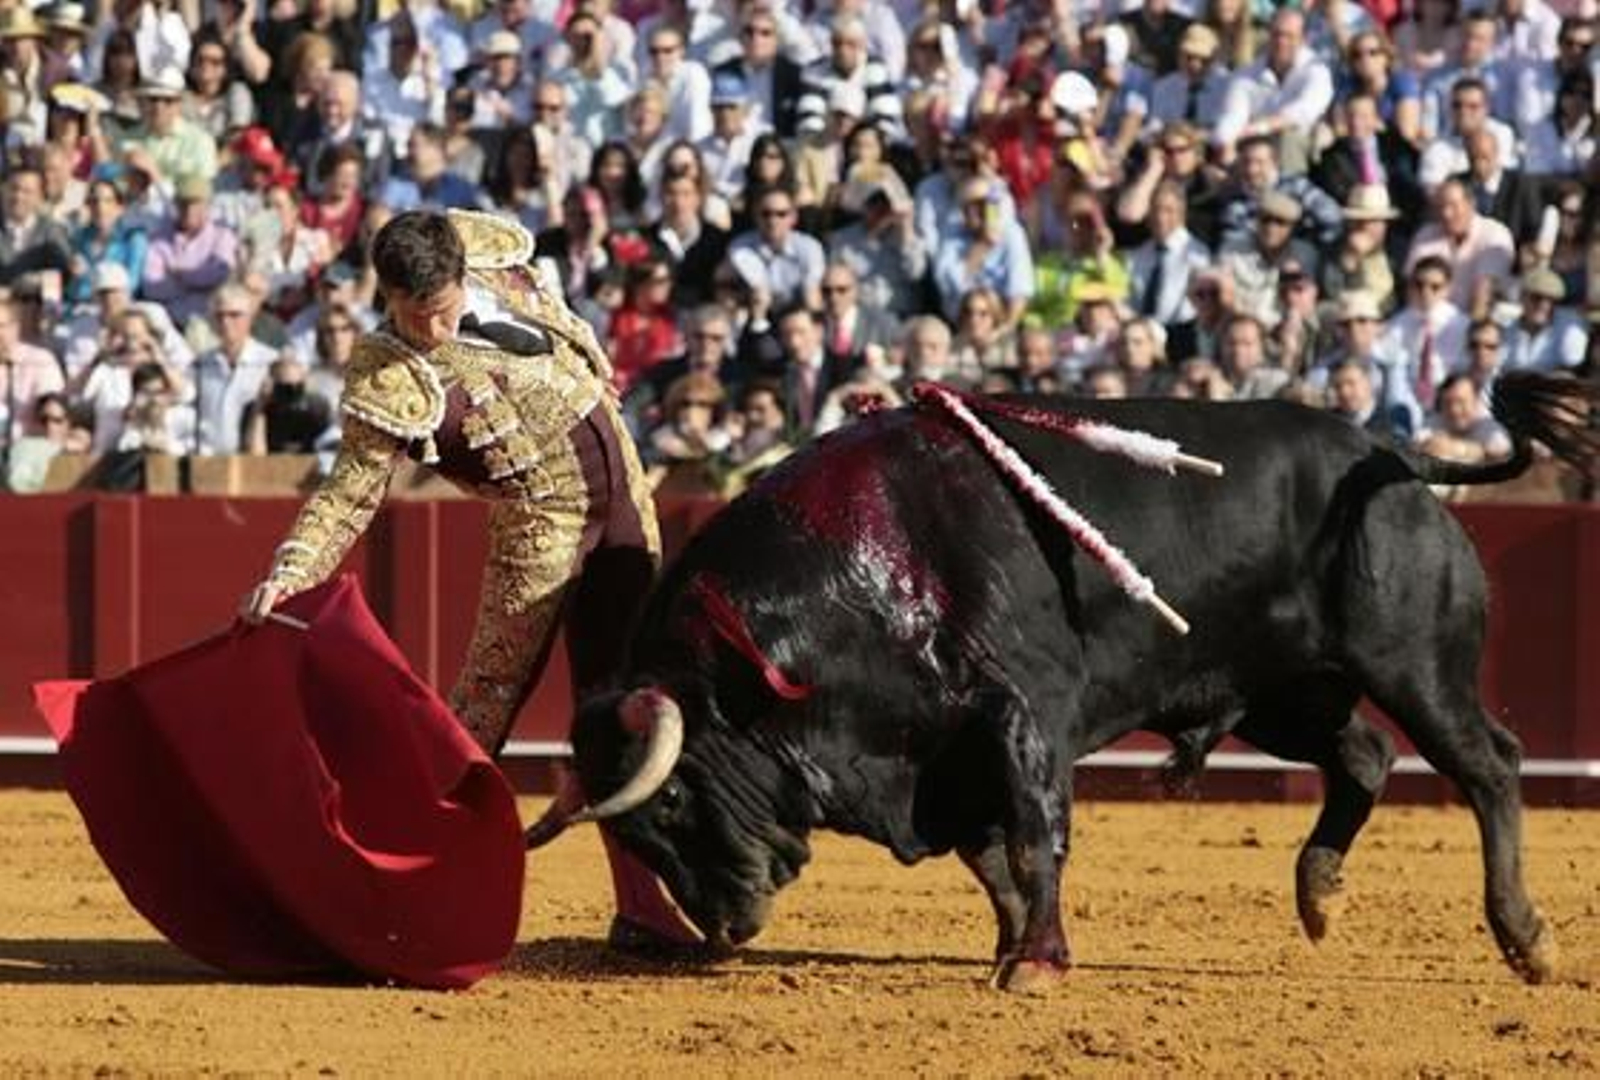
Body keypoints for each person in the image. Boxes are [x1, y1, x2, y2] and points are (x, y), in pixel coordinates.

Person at [237, 208, 699, 954]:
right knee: (480, 717)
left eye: (447, 311)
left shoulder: (491, 257)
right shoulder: (388, 373)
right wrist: (290, 572)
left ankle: (642, 908)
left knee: (620, 699)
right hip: (540, 532)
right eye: (420, 318)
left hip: (625, 499)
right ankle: (388, 897)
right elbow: (349, 495)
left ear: (463, 275)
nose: (438, 333)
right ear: (388, 296)